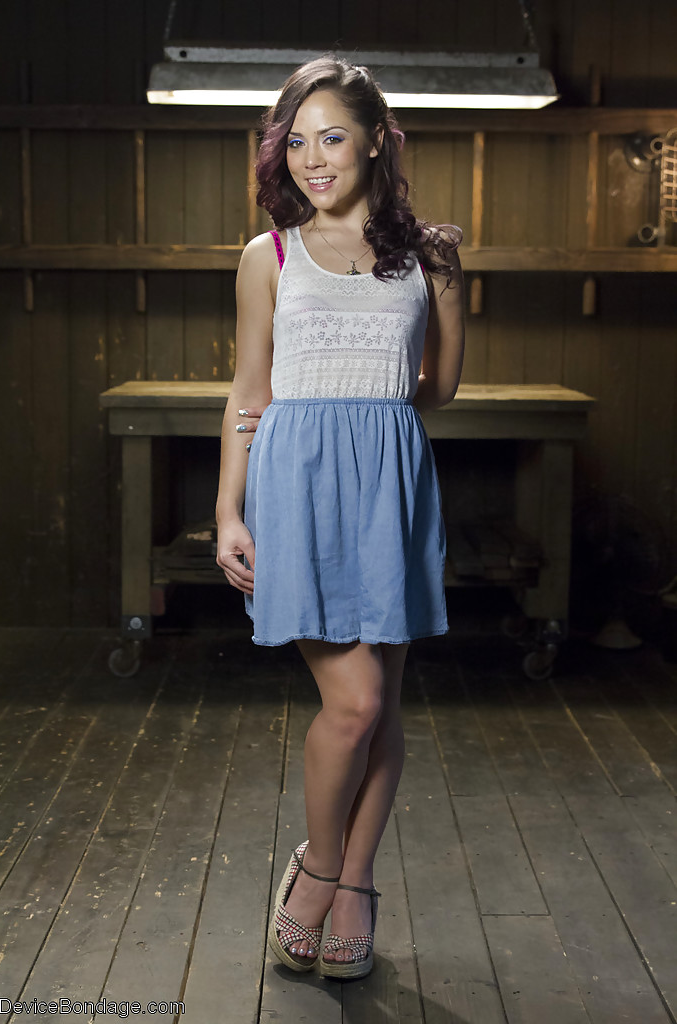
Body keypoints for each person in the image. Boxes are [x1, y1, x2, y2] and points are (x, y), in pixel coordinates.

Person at [215, 54, 465, 980]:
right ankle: (320, 869)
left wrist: (370, 411)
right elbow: (248, 391)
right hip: (297, 485)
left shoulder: (431, 257)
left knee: (382, 706)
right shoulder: (269, 255)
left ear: (373, 143)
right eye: (295, 142)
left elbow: (440, 387)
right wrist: (228, 509)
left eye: (331, 138)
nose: (312, 159)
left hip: (388, 484)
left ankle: (355, 883)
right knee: (352, 702)